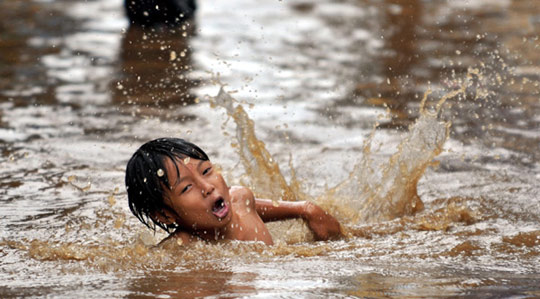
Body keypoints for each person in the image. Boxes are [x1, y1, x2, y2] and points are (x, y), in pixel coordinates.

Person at [125, 138, 342, 245]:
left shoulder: (240, 199)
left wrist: (306, 210)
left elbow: (251, 204)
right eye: (187, 187)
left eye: (207, 171)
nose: (207, 187)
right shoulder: (182, 251)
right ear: (165, 214)